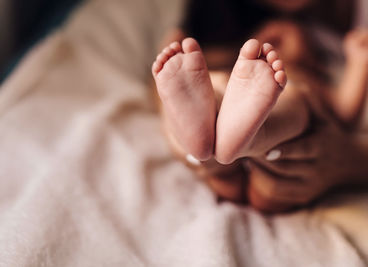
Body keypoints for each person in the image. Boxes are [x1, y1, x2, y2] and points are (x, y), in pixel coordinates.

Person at [151, 0, 368, 212]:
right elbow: (346, 111)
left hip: (270, 176)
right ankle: (218, 133)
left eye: (283, 39)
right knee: (224, 89)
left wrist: (359, 62)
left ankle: (219, 145)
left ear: (314, 54)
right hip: (273, 176)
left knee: (286, 99)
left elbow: (343, 114)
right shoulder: (240, 69)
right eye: (267, 41)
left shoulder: (311, 80)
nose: (271, 47)